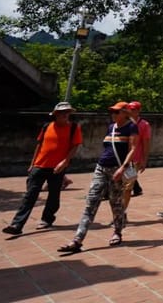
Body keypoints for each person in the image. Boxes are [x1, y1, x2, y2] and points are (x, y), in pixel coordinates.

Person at [58, 102, 138, 253]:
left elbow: (133, 149)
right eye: (111, 112)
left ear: (125, 113)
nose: (112, 114)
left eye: (116, 112)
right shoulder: (111, 128)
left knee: (116, 203)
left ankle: (117, 231)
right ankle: (78, 239)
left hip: (117, 170)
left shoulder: (131, 127)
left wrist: (123, 168)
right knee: (91, 203)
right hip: (101, 168)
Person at [2, 102, 83, 235]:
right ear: (55, 114)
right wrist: (32, 163)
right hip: (39, 166)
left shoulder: (74, 128)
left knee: (53, 196)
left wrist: (65, 162)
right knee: (30, 196)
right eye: (62, 112)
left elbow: (75, 146)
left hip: (57, 168)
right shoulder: (47, 127)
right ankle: (17, 224)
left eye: (67, 112)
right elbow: (39, 145)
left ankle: (47, 219)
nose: (65, 114)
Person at [125, 101, 151, 203]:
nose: (130, 112)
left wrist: (144, 160)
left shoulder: (144, 124)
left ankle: (122, 210)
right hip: (121, 157)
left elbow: (146, 143)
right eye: (129, 109)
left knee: (127, 186)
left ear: (138, 111)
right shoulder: (125, 123)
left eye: (133, 109)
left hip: (134, 159)